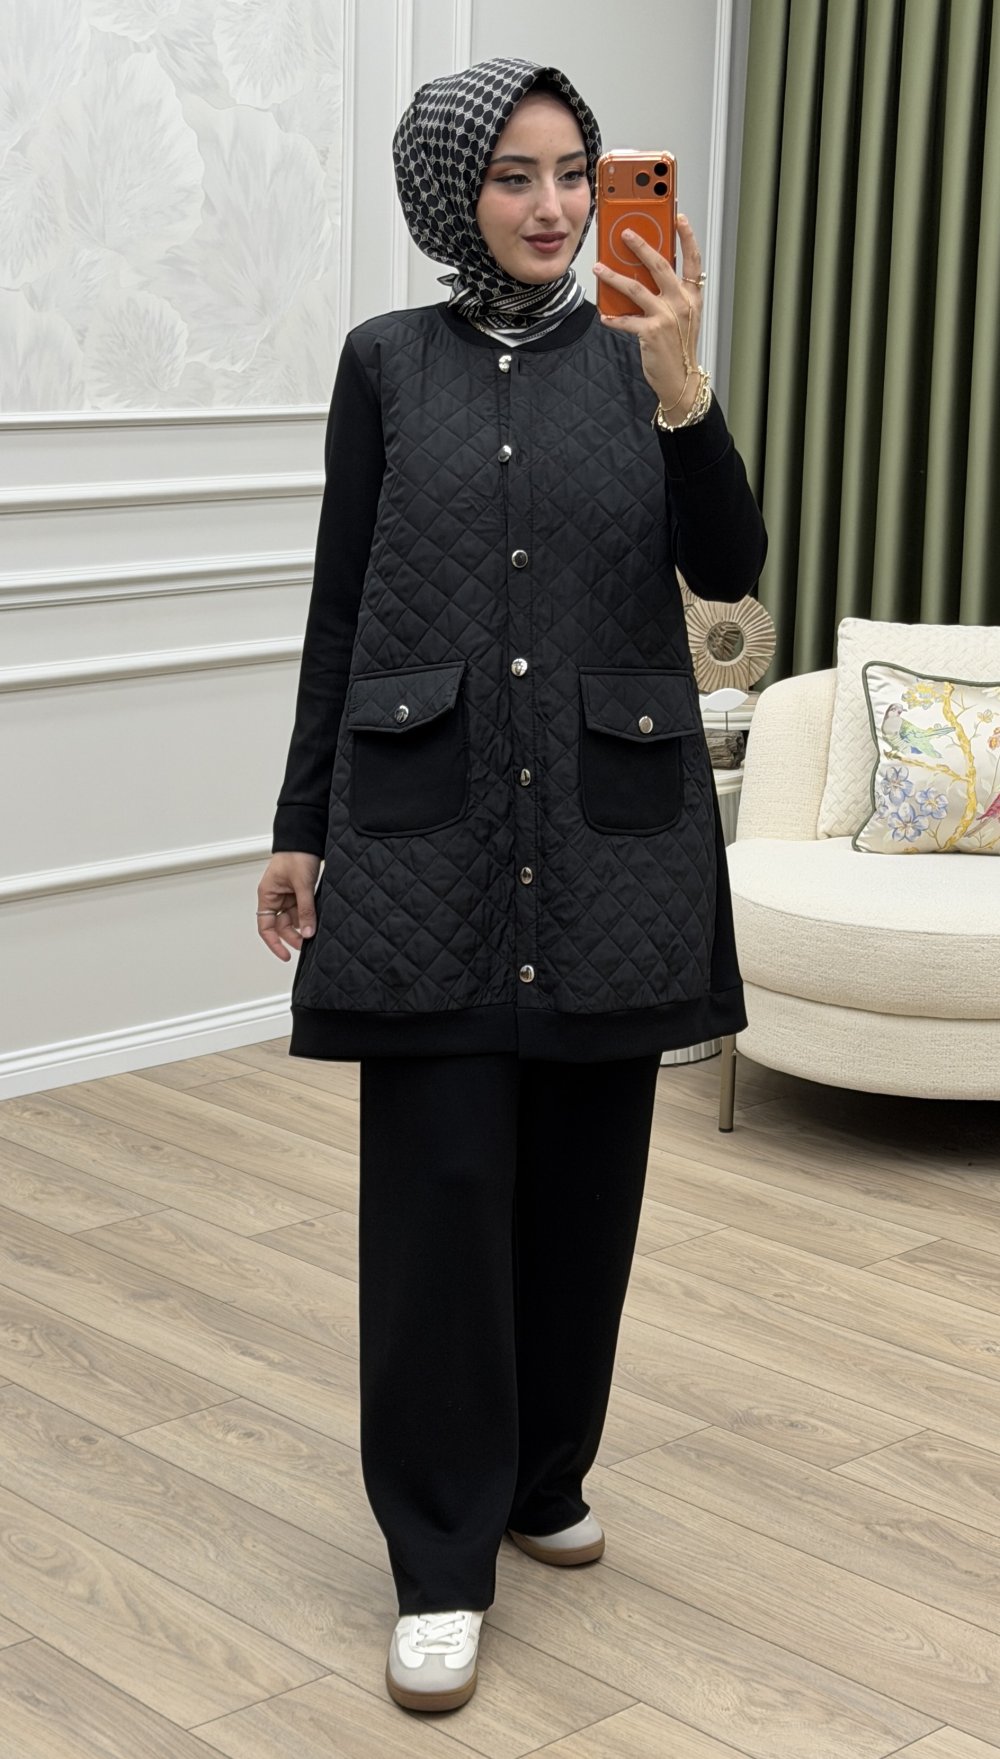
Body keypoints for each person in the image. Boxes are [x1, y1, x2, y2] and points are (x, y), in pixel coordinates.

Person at [257, 57, 766, 1715]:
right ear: (450, 193)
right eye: (515, 176)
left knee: (584, 1196)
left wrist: (685, 393)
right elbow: (343, 604)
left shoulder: (643, 358)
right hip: (429, 833)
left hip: (614, 832)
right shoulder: (383, 364)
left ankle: (544, 1479)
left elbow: (731, 569)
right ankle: (436, 1558)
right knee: (442, 1199)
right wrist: (301, 823)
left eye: (575, 175)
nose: (554, 208)